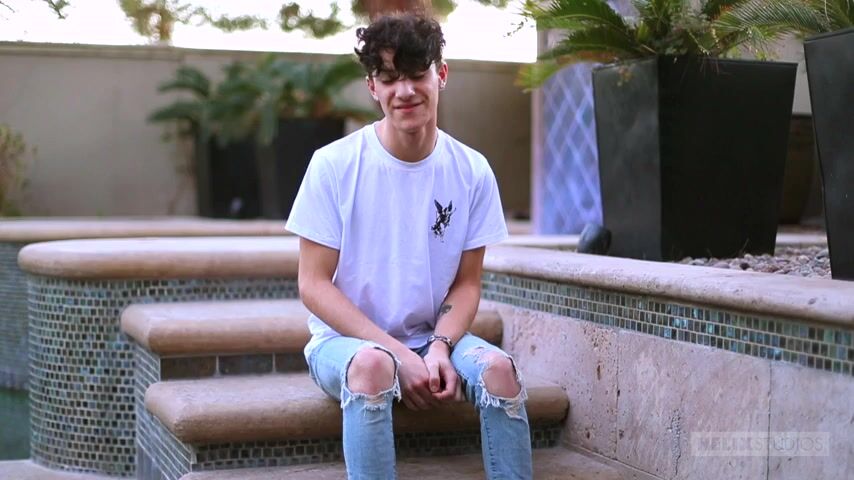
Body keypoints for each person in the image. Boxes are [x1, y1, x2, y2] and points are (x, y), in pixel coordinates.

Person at [285, 12, 533, 480]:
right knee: (373, 366)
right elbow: (313, 285)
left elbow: (466, 284)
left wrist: (438, 347)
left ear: (441, 74)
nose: (405, 91)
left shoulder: (472, 170)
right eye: (389, 78)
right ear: (372, 87)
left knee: (500, 371)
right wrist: (397, 353)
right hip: (346, 345)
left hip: (431, 338)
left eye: (417, 74)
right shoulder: (333, 165)